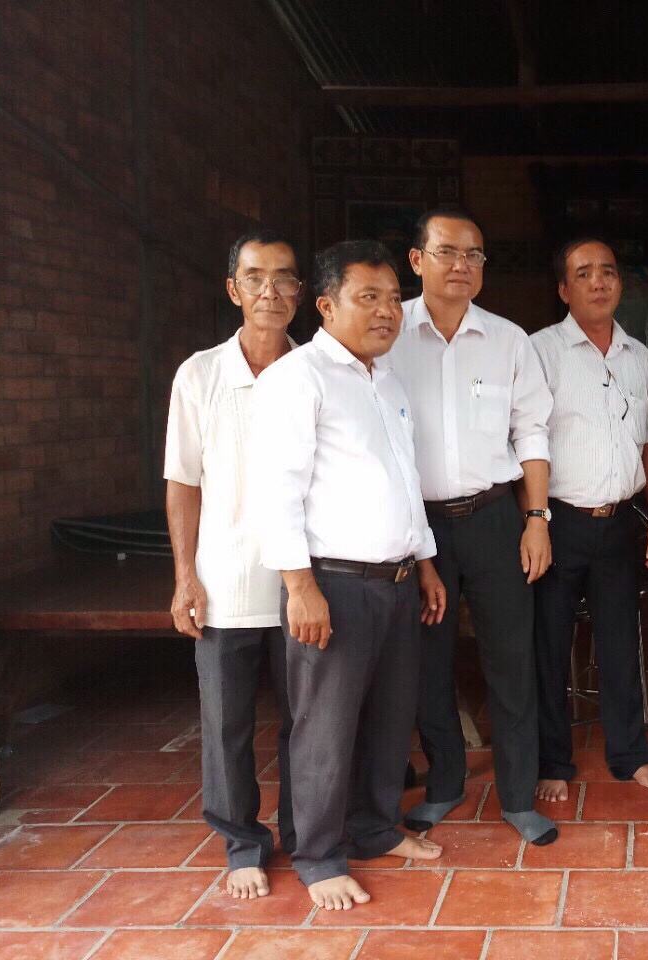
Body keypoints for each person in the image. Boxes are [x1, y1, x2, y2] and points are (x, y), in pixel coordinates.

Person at [250, 240, 446, 911]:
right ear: (327, 306)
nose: (388, 311)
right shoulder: (298, 379)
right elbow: (277, 492)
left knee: (390, 721)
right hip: (333, 583)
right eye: (369, 298)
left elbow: (406, 483)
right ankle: (317, 854)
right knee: (324, 729)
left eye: (393, 298)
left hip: (396, 581)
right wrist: (300, 588)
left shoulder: (385, 381)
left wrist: (424, 563)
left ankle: (373, 828)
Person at [388, 210, 557, 846]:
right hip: (419, 525)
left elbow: (532, 432)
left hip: (493, 518)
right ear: (416, 259)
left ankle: (517, 795)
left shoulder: (509, 340)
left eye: (474, 255)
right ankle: (445, 784)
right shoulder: (387, 334)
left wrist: (535, 519)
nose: (462, 265)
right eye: (447, 252)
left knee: (511, 657)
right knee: (427, 661)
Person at [164, 230, 300, 900]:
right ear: (233, 289)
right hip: (225, 579)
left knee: (309, 720)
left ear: (301, 292)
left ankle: (307, 833)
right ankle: (242, 841)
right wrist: (185, 576)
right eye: (254, 277)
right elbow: (183, 481)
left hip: (305, 583)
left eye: (283, 277)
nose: (269, 291)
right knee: (226, 723)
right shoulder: (199, 374)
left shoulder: (318, 370)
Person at [530, 237, 648, 802]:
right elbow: (525, 440)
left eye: (608, 272)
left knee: (620, 643)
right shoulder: (541, 351)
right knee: (549, 644)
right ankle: (551, 760)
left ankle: (629, 754)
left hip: (620, 523)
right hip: (559, 522)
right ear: (564, 289)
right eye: (584, 273)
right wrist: (533, 521)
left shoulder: (637, 356)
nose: (598, 282)